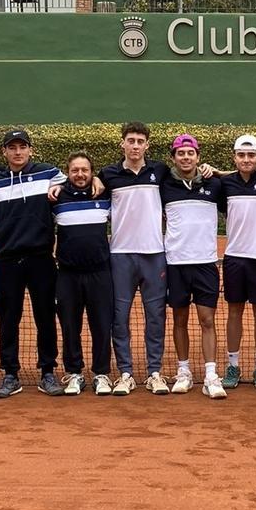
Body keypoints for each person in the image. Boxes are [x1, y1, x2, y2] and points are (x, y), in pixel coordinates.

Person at [0, 129, 67, 398]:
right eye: (12, 147)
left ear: (30, 149)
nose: (18, 152)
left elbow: (81, 180)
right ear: (4, 152)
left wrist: (61, 186)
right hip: (8, 261)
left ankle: (48, 372)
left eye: (22, 147)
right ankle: (10, 374)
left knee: (46, 318)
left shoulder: (49, 173)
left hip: (41, 260)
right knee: (8, 320)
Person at [100, 122, 171, 396]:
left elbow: (191, 175)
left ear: (147, 145)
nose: (135, 146)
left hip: (154, 255)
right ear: (122, 143)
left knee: (156, 317)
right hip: (121, 256)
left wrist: (213, 170)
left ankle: (154, 373)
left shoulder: (160, 171)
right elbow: (84, 185)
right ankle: (125, 373)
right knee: (120, 317)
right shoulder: (108, 175)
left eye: (140, 141)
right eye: (131, 140)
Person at [160, 134, 226, 399]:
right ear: (174, 158)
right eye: (181, 153)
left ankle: (211, 375)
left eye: (190, 153)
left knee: (207, 320)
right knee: (180, 320)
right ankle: (184, 371)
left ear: (198, 156)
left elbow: (244, 176)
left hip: (206, 264)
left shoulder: (215, 184)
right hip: (175, 264)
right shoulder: (163, 185)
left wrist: (218, 171)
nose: (186, 157)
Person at [52, 151, 115, 396]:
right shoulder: (56, 197)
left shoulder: (105, 193)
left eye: (85, 170)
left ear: (92, 172)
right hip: (68, 274)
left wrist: (99, 179)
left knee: (102, 326)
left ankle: (101, 374)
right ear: (67, 173)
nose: (80, 174)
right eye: (75, 170)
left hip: (100, 273)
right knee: (69, 326)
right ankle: (74, 373)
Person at [219, 134, 256, 390]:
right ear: (234, 157)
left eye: (251, 155)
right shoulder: (225, 184)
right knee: (234, 312)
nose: (246, 159)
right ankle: (233, 365)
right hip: (234, 258)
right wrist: (214, 171)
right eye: (241, 155)